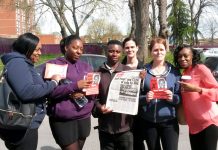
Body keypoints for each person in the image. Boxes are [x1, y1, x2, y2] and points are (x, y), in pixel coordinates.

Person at [0, 32, 61, 150]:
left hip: (22, 124)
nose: (40, 53)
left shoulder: (22, 63)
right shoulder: (18, 63)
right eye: (37, 49)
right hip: (22, 125)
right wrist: (53, 83)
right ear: (26, 48)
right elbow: (27, 92)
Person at [43, 35, 95, 150]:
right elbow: (50, 92)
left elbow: (93, 92)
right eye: (75, 48)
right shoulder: (54, 65)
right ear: (66, 48)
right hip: (63, 120)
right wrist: (75, 86)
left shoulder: (86, 67)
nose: (79, 52)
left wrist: (86, 92)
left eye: (81, 49)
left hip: (84, 117)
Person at [134, 37, 181, 150]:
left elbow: (180, 96)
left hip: (169, 121)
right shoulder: (142, 71)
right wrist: (145, 98)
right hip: (148, 121)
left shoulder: (174, 71)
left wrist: (173, 98)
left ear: (166, 50)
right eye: (155, 50)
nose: (159, 52)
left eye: (162, 49)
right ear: (151, 52)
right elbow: (134, 96)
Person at [173, 45, 218, 150]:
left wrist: (198, 89)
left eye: (186, 56)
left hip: (208, 123)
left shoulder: (201, 68)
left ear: (192, 56)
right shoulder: (184, 73)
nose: (182, 58)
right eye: (179, 56)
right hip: (193, 126)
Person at [93, 40, 133, 150]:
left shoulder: (129, 72)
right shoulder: (97, 73)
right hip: (105, 128)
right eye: (111, 51)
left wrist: (141, 80)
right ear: (106, 52)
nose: (114, 54)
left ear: (121, 53)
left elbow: (136, 97)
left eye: (117, 51)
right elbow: (93, 99)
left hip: (125, 129)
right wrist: (99, 107)